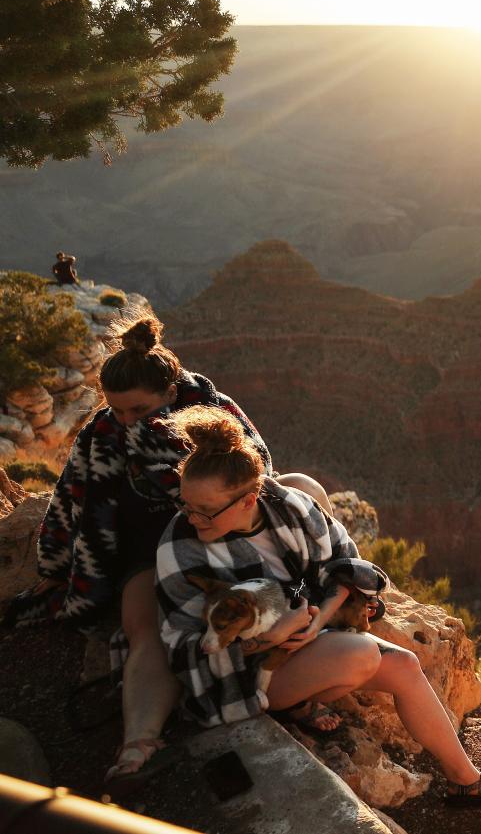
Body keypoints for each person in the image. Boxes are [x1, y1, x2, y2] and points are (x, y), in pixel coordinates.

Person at [156, 405, 481, 808]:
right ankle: (297, 704)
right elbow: (185, 650)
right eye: (186, 504)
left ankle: (466, 779)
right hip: (243, 676)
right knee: (363, 654)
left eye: (205, 510)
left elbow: (346, 567)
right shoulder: (181, 548)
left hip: (314, 639)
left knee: (404, 665)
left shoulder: (292, 508)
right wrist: (267, 641)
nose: (191, 517)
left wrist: (315, 625)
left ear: (248, 501)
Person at [8, 316, 316, 794]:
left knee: (304, 488)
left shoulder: (215, 413)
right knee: (146, 629)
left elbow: (259, 470)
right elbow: (71, 496)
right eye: (117, 410)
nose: (126, 420)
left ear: (171, 392)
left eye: (137, 409)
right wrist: (55, 566)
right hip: (148, 548)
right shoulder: (103, 431)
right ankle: (139, 746)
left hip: (223, 537)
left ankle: (289, 662)